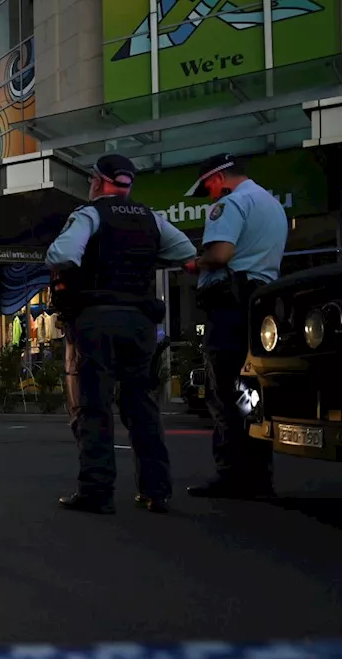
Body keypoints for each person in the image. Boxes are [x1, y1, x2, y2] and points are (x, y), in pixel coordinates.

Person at [45, 154, 197, 514]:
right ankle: (156, 491)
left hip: (96, 321)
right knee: (142, 407)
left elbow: (62, 254)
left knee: (93, 406)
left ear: (97, 181)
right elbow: (187, 253)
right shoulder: (151, 219)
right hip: (140, 322)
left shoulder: (90, 214)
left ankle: (96, 492)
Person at [181, 153, 287, 499]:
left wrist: (196, 262)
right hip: (262, 304)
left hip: (230, 306)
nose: (211, 196)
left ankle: (232, 475)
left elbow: (221, 254)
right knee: (251, 392)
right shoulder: (271, 203)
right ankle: (259, 477)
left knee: (224, 390)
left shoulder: (229, 205)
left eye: (209, 188)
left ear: (218, 179)